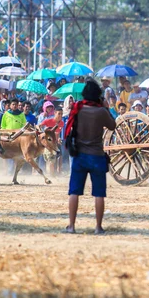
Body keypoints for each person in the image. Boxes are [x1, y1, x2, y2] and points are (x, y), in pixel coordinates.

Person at [64, 79, 116, 234]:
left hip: (79, 155)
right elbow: (112, 126)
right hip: (97, 155)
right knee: (99, 193)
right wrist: (106, 108)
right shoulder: (100, 112)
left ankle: (72, 226)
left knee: (74, 192)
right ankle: (98, 227)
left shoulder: (77, 109)